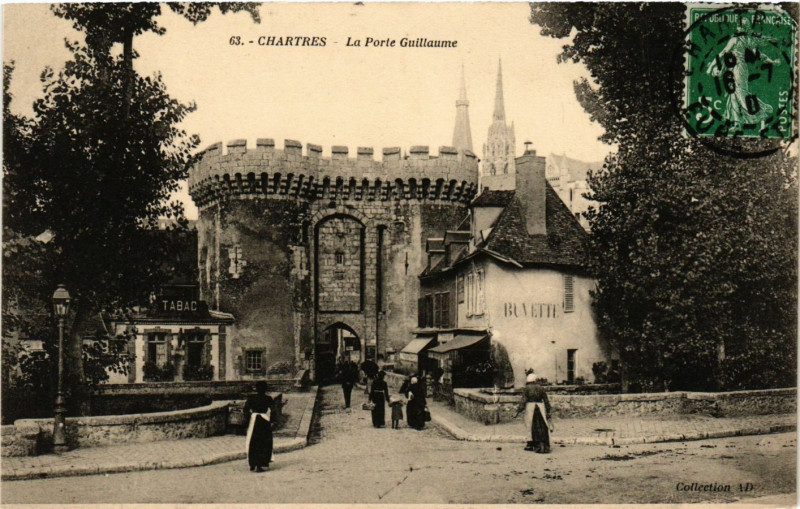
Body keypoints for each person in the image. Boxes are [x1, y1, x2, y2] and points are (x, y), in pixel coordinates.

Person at [516, 372, 552, 453]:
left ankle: (530, 444)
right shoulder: (541, 388)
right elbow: (546, 401)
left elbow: (523, 401)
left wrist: (519, 410)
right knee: (542, 424)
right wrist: (548, 411)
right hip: (540, 407)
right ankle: (544, 444)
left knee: (529, 425)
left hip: (530, 407)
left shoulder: (527, 388)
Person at [244, 381, 274, 472]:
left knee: (252, 441)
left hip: (254, 420)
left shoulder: (251, 398)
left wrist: (249, 418)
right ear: (265, 389)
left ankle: (252, 463)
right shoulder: (268, 398)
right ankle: (260, 464)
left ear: (256, 389)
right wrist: (272, 421)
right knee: (263, 442)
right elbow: (274, 410)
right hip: (264, 421)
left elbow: (245, 409)